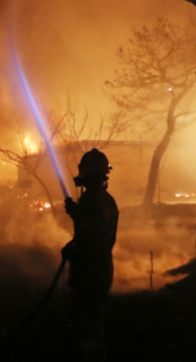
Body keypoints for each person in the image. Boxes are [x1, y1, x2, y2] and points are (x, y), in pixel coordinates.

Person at [62, 148, 119, 362]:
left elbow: (90, 242)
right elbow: (101, 235)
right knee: (95, 324)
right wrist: (77, 215)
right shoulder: (107, 200)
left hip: (88, 274)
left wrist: (72, 251)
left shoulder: (89, 202)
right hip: (103, 269)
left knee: (87, 328)